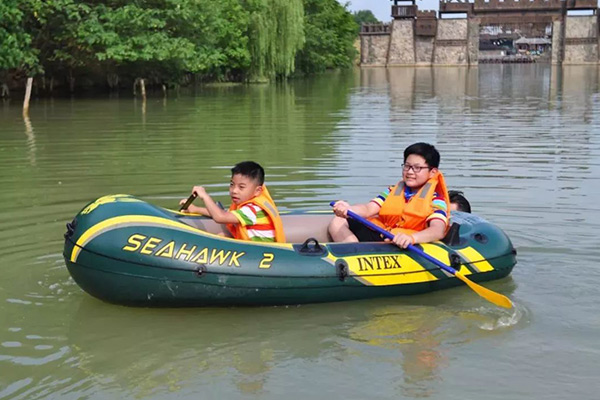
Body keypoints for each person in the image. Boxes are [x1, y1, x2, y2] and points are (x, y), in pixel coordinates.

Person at [329, 142, 450, 248]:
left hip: (405, 243)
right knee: (338, 221)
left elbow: (437, 230)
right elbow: (368, 209)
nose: (410, 172)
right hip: (382, 234)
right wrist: (348, 209)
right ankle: (353, 252)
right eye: (407, 166)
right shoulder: (391, 191)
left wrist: (412, 238)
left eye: (417, 168)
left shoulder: (437, 200)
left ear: (432, 172)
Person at [180, 161, 286, 243]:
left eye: (241, 187)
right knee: (223, 236)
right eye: (232, 184)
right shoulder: (246, 206)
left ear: (257, 191)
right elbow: (225, 214)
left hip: (261, 256)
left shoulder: (252, 210)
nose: (234, 191)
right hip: (252, 249)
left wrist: (204, 196)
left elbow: (220, 217)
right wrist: (195, 209)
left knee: (222, 236)